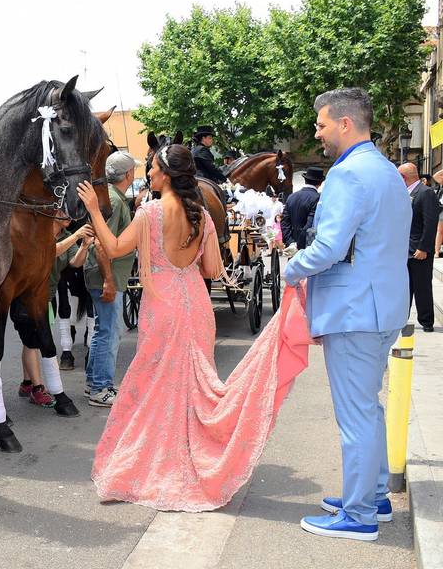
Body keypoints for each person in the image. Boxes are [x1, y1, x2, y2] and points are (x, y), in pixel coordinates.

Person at [77, 143, 312, 511]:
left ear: (167, 174)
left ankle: (162, 461)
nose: (149, 174)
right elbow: (210, 271)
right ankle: (192, 456)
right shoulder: (201, 214)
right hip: (195, 304)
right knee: (191, 387)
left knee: (155, 385)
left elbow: (116, 247)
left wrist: (94, 210)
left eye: (153, 168)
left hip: (163, 305)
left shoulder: (150, 212)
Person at [284, 88, 410, 541]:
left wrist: (289, 268)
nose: (317, 133)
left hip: (355, 310)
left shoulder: (347, 175)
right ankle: (373, 497)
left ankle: (358, 515)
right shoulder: (388, 172)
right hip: (382, 306)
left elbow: (329, 248)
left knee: (356, 416)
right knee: (368, 410)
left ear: (343, 124)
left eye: (320, 125)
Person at [17, 218, 92, 406]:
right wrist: (77, 235)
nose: (70, 216)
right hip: (28, 294)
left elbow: (75, 263)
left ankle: (27, 382)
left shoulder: (66, 236)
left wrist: (83, 246)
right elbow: (50, 251)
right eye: (65, 210)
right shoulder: (37, 228)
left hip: (46, 295)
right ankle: (37, 388)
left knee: (31, 341)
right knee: (33, 341)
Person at [83, 151, 136, 407]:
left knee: (102, 331)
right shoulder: (114, 201)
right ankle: (100, 388)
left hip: (105, 274)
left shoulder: (114, 198)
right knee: (109, 333)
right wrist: (108, 280)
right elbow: (102, 244)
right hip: (107, 275)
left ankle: (95, 382)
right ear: (129, 174)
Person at [399, 162, 439, 332]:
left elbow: (430, 223)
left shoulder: (426, 193)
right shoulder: (404, 193)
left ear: (403, 177)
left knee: (422, 286)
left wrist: (424, 247)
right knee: (404, 287)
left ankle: (426, 321)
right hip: (405, 249)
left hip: (419, 249)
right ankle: (401, 319)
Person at [282, 167, 323, 249]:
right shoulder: (318, 198)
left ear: (305, 180)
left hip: (292, 245)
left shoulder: (291, 197)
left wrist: (290, 242)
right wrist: (299, 244)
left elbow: (285, 222)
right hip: (308, 245)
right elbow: (310, 223)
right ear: (320, 183)